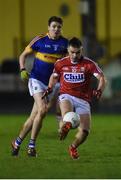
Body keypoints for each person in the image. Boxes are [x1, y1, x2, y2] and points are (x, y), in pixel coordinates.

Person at [11, 16, 68, 157]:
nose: (56, 29)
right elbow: (22, 55)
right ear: (48, 27)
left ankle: (17, 143)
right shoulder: (40, 40)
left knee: (34, 116)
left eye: (59, 27)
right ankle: (31, 146)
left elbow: (68, 63)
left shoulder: (64, 43)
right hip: (36, 80)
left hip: (50, 83)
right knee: (42, 109)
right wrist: (22, 69)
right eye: (54, 26)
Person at [42, 37, 107, 159]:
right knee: (67, 114)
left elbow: (102, 78)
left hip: (83, 99)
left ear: (81, 50)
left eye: (77, 52)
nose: (75, 55)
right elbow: (54, 77)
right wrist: (50, 87)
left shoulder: (89, 64)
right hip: (66, 95)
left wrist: (99, 90)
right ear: (68, 50)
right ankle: (65, 126)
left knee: (85, 131)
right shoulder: (60, 63)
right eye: (72, 52)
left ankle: (73, 146)